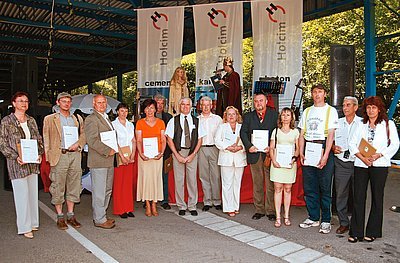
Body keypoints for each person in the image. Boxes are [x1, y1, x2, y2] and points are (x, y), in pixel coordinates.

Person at [347, 96, 399, 243]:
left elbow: (394, 144)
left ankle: (373, 231)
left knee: (377, 197)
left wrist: (379, 155)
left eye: (374, 107)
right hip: (361, 164)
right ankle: (356, 232)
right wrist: (362, 158)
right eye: (368, 107)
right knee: (358, 197)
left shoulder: (388, 124)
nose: (370, 110)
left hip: (380, 165)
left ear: (379, 109)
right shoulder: (360, 124)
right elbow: (352, 143)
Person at [0, 91, 44, 239]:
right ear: (13, 103)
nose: (24, 103)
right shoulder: (7, 121)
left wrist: (40, 152)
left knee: (32, 193)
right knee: (21, 195)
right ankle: (24, 227)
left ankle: (33, 222)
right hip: (17, 163)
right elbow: (3, 144)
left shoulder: (31, 120)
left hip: (32, 163)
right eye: (20, 101)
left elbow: (38, 138)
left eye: (26, 101)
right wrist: (15, 156)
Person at [298, 84, 338, 234]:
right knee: (310, 187)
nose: (317, 95)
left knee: (325, 187)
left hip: (322, 149)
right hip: (309, 149)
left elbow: (331, 135)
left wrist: (326, 155)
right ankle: (313, 217)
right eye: (314, 92)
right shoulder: (307, 111)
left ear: (325, 94)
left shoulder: (331, 111)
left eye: (320, 92)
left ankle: (326, 220)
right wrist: (301, 152)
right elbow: (302, 134)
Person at [43, 92, 86, 230]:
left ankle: (71, 214)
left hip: (74, 155)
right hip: (59, 155)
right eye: (64, 101)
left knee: (74, 184)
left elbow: (83, 135)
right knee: (58, 185)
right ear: (58, 102)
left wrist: (78, 144)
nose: (66, 103)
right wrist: (49, 157)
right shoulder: (50, 119)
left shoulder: (77, 118)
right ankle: (60, 216)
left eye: (68, 101)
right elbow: (46, 138)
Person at [240, 92, 278, 221]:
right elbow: (243, 132)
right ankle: (259, 210)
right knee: (257, 183)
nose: (258, 103)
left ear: (266, 101)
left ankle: (271, 211)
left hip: (269, 154)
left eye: (261, 101)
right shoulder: (248, 116)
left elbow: (278, 133)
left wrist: (272, 148)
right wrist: (249, 146)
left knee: (270, 183)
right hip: (254, 154)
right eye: (256, 101)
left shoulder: (274, 115)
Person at [165, 97, 206, 216]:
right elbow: (169, 139)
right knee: (179, 180)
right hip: (178, 151)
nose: (185, 107)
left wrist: (193, 154)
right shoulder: (174, 120)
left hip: (192, 152)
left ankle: (192, 206)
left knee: (192, 180)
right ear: (179, 106)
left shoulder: (196, 121)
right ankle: (181, 205)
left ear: (191, 106)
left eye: (188, 105)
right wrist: (176, 155)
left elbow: (200, 139)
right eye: (183, 104)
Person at [84, 94, 116, 229]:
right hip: (99, 160)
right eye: (99, 103)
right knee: (99, 191)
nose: (101, 105)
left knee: (107, 190)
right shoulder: (91, 119)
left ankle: (102, 214)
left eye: (103, 102)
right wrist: (107, 150)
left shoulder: (106, 118)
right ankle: (99, 219)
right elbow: (92, 140)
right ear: (93, 104)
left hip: (109, 160)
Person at [331, 96, 361, 234]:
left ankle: (357, 223)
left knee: (358, 195)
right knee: (340, 194)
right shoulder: (337, 122)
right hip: (341, 163)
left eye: (348, 105)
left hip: (358, 163)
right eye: (343, 105)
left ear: (355, 107)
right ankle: (344, 222)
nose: (345, 108)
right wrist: (332, 147)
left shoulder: (363, 123)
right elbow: (330, 140)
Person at [269, 108, 299, 227]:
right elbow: (271, 148)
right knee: (277, 189)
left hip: (289, 164)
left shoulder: (295, 132)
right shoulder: (275, 131)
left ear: (292, 117)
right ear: (280, 117)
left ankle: (286, 215)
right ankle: (277, 216)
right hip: (277, 164)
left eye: (288, 115)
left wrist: (293, 159)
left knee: (287, 189)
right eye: (283, 115)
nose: (285, 117)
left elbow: (298, 149)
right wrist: (273, 160)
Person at [136, 99, 166, 217]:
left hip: (157, 156)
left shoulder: (161, 122)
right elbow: (138, 140)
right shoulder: (140, 123)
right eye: (147, 108)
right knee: (146, 180)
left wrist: (162, 152)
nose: (150, 110)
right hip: (145, 157)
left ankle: (154, 203)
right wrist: (141, 153)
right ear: (144, 110)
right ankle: (147, 204)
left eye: (152, 108)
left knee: (156, 179)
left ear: (156, 109)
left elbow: (163, 140)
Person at [215, 106, 247, 217]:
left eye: (233, 114)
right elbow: (217, 141)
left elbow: (246, 140)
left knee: (237, 183)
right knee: (227, 183)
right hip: (226, 158)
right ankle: (228, 207)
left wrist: (240, 147)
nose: (231, 116)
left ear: (237, 116)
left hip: (239, 158)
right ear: (226, 116)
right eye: (229, 114)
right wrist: (228, 147)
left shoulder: (242, 127)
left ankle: (235, 206)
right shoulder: (222, 127)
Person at [198, 96, 223, 211]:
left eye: (208, 105)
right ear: (200, 106)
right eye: (204, 105)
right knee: (204, 176)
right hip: (201, 149)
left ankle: (217, 200)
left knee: (216, 175)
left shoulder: (218, 119)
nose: (206, 107)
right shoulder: (197, 119)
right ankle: (207, 201)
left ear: (212, 106)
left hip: (214, 148)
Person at [111, 103, 136, 219]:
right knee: (119, 183)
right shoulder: (113, 125)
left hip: (130, 156)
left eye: (126, 111)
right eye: (121, 111)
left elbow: (134, 140)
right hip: (118, 156)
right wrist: (122, 156)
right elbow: (114, 142)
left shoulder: (131, 125)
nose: (124, 113)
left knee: (128, 184)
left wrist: (132, 155)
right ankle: (120, 209)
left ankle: (128, 208)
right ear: (117, 112)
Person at [154, 94, 173, 210]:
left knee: (164, 176)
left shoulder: (169, 117)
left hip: (165, 152)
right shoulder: (145, 117)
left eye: (162, 103)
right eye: (157, 103)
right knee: (152, 176)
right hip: (150, 152)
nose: (159, 106)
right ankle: (150, 199)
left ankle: (164, 200)